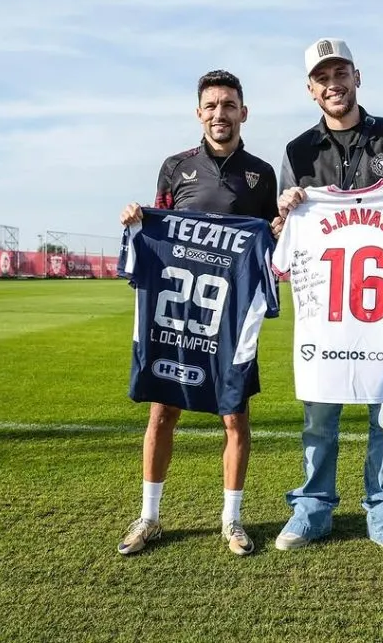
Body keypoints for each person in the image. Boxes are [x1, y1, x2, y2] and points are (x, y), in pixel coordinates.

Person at [274, 38, 383, 560]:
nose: (333, 84)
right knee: (318, 416)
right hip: (323, 316)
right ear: (310, 89)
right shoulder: (298, 152)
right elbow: (282, 233)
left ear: (357, 75)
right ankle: (313, 507)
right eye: (322, 77)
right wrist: (285, 215)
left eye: (340, 72)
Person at [116, 69, 279, 557]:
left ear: (243, 113)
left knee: (236, 417)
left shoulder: (261, 173)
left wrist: (279, 224)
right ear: (198, 113)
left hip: (228, 319)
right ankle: (149, 516)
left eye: (228, 105)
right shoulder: (175, 166)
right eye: (211, 105)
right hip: (178, 312)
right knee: (162, 411)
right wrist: (137, 220)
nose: (219, 114)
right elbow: (158, 223)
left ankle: (232, 520)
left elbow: (269, 238)